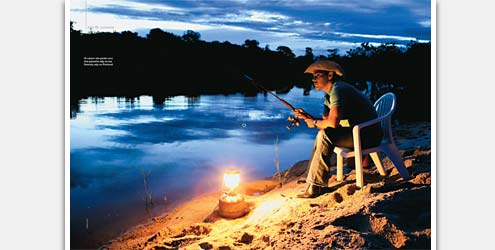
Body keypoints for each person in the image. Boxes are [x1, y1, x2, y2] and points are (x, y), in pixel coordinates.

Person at [294, 60, 383, 198]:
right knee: (323, 133)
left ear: (329, 75)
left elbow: (333, 123)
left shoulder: (338, 89)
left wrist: (315, 122)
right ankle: (313, 181)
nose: (313, 79)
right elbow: (327, 121)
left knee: (324, 135)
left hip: (368, 135)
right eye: (313, 76)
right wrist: (308, 117)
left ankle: (316, 186)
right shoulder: (329, 94)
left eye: (317, 75)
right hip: (359, 132)